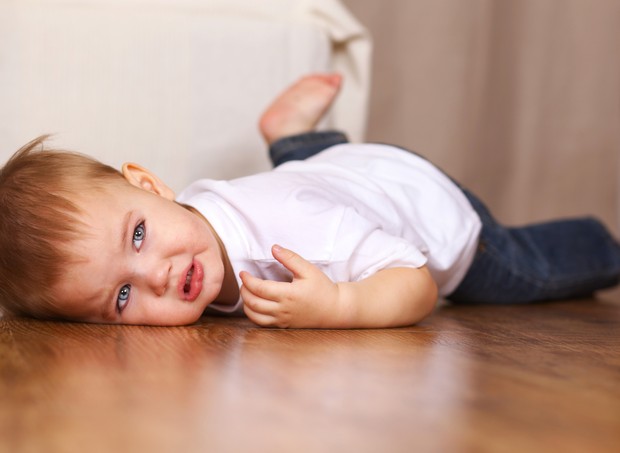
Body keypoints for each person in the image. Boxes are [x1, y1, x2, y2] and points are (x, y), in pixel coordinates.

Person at [1, 74, 619, 328]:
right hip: (336, 177)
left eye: (137, 237)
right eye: (122, 297)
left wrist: (342, 304)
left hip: (426, 208)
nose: (156, 274)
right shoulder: (187, 217)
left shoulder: (296, 228)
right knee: (309, 174)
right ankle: (295, 140)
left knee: (529, 266)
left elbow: (416, 278)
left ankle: (607, 245)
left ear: (150, 185)